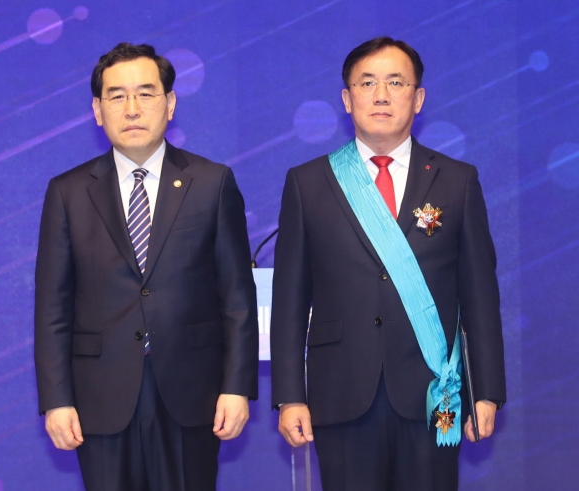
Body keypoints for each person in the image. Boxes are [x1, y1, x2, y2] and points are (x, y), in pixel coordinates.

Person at [270, 37, 506, 491]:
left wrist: (487, 390)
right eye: (367, 83)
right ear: (347, 98)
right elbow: (290, 303)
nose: (381, 95)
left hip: (434, 391)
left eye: (396, 82)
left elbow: (479, 295)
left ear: (418, 98)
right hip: (341, 392)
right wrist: (288, 397)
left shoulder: (457, 180)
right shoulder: (307, 183)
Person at [34, 42, 258, 491]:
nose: (131, 108)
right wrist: (56, 400)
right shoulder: (68, 192)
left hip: (192, 393)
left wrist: (237, 387)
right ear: (97, 110)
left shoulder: (212, 183)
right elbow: (53, 307)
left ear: (170, 104)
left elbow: (237, 296)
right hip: (100, 397)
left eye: (146, 93)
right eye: (116, 96)